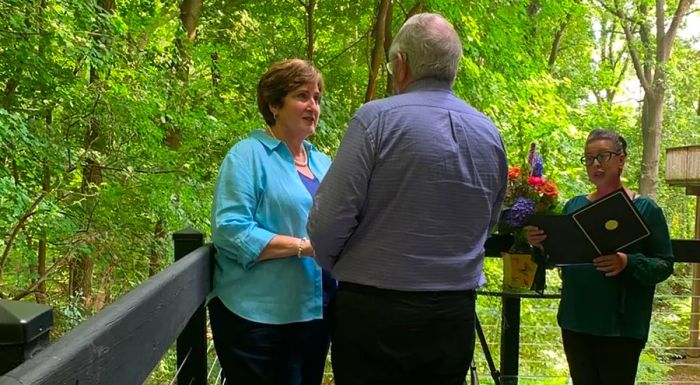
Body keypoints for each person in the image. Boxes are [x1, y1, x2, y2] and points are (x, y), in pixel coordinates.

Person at [307, 13, 508, 385]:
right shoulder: (489, 133)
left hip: (374, 316)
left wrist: (336, 263)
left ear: (401, 64)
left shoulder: (375, 121)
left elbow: (327, 222)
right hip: (453, 316)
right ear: (453, 68)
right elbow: (488, 221)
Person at [209, 58, 334, 385]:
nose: (313, 106)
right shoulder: (247, 155)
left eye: (317, 98)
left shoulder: (323, 163)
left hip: (316, 314)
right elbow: (231, 230)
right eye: (302, 96)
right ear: (274, 104)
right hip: (259, 320)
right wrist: (305, 248)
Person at [525, 129, 674, 385]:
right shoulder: (574, 206)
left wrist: (628, 262)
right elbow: (556, 260)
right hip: (576, 320)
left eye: (602, 156)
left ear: (621, 159)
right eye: (589, 158)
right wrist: (540, 246)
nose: (595, 164)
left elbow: (664, 264)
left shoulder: (645, 209)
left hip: (621, 326)